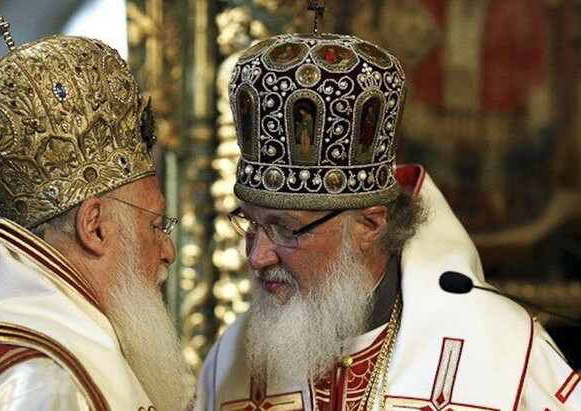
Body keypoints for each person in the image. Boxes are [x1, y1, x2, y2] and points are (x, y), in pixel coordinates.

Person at [194, 32, 580, 410]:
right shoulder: (231, 361)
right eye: (250, 223)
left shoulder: (503, 351)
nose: (258, 256)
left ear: (369, 226)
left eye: (284, 228)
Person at [0, 17, 193, 411]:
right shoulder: (42, 381)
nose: (168, 249)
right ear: (96, 227)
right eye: (156, 225)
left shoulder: (32, 348)